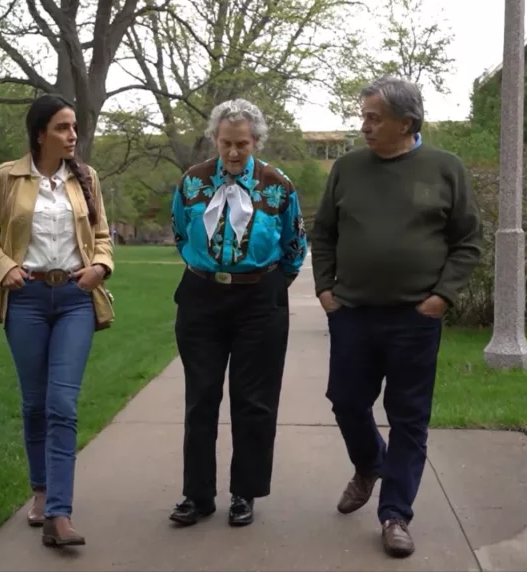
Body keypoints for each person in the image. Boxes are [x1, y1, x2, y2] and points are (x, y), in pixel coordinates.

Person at [310, 76, 482, 558]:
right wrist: (326, 289)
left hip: (415, 317)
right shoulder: (347, 169)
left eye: (373, 118)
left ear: (406, 123)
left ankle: (395, 515)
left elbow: (468, 240)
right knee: (346, 401)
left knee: (409, 418)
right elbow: (322, 233)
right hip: (354, 313)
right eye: (363, 116)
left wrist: (443, 298)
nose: (363, 126)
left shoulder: (445, 168)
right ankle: (369, 465)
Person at [0, 93, 115, 548]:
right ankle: (40, 490)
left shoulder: (86, 178)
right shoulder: (6, 177)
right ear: (40, 133)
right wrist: (3, 267)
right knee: (35, 404)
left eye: (74, 128)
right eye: (63, 128)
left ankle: (59, 514)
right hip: (26, 298)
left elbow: (103, 236)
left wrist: (101, 267)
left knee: (62, 405)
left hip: (74, 297)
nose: (73, 136)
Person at [168, 98, 308, 528]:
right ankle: (198, 495)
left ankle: (244, 493)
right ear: (215, 139)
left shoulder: (277, 185)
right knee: (201, 398)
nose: (233, 152)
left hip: (259, 301)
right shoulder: (192, 184)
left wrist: (266, 286)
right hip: (202, 299)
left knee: (254, 402)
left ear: (256, 142)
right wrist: (209, 270)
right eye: (226, 143)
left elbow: (294, 245)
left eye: (242, 144)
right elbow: (180, 232)